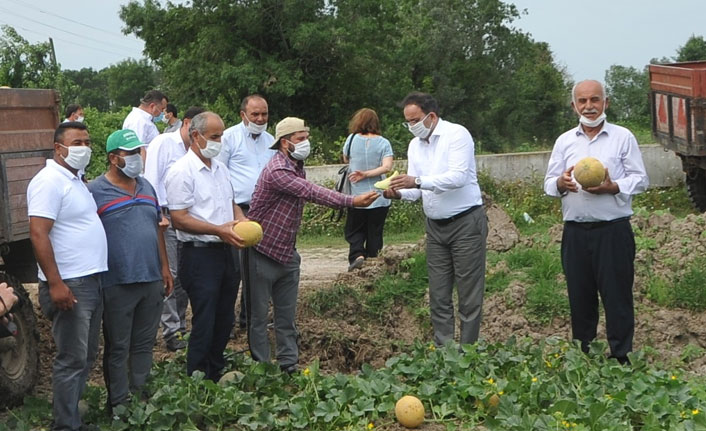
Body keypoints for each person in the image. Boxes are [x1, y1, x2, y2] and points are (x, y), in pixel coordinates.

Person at [243, 117, 379, 373]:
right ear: (285, 143)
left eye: (307, 137)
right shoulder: (278, 170)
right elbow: (311, 192)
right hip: (262, 251)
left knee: (286, 317)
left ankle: (289, 365)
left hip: (286, 252)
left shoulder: (296, 165)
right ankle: (261, 371)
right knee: (259, 318)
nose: (306, 142)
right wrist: (351, 201)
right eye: (300, 139)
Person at [543, 79, 648, 364]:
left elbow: (640, 180)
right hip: (575, 232)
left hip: (612, 231)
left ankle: (621, 358)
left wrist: (613, 187)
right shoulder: (565, 141)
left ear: (606, 103)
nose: (589, 106)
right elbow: (548, 184)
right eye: (583, 101)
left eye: (595, 100)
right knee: (580, 299)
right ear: (574, 105)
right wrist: (561, 183)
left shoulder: (623, 137)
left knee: (617, 298)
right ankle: (583, 357)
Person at [384, 92, 487, 347]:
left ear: (431, 116)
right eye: (407, 122)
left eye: (415, 120)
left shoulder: (457, 135)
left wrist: (416, 181)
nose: (411, 126)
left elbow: (457, 177)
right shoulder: (415, 146)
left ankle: (468, 352)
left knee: (469, 294)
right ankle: (444, 352)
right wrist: (396, 193)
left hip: (465, 223)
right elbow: (416, 189)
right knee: (439, 294)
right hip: (435, 227)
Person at [27, 121, 108, 431]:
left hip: (89, 280)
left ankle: (71, 419)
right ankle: (65, 426)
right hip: (70, 283)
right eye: (77, 143)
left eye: (87, 142)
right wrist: (56, 283)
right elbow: (38, 233)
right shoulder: (49, 181)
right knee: (72, 359)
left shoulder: (75, 180)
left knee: (85, 356)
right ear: (58, 148)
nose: (83, 148)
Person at [87, 129, 173, 410]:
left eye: (138, 152)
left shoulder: (147, 186)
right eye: (130, 153)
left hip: (150, 279)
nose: (137, 158)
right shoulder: (94, 191)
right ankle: (119, 404)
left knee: (144, 344)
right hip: (117, 281)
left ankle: (140, 398)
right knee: (118, 346)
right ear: (114, 158)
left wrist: (165, 268)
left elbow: (157, 228)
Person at [164, 111, 247, 381]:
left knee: (225, 318)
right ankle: (198, 376)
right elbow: (179, 218)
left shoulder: (220, 168)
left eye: (221, 135)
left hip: (226, 252)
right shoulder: (181, 171)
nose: (219, 141)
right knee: (205, 318)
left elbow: (230, 202)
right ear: (196, 136)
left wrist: (242, 221)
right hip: (199, 256)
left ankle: (216, 367)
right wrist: (217, 230)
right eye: (214, 136)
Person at [144, 106, 205, 352]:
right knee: (169, 273)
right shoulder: (163, 143)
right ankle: (171, 331)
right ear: (187, 123)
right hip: (166, 216)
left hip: (189, 216)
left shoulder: (196, 148)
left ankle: (180, 325)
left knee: (185, 275)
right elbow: (150, 180)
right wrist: (157, 213)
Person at [216, 94, 275, 330]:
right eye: (255, 114)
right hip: (237, 209)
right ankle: (225, 321)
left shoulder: (271, 140)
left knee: (259, 269)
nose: (260, 119)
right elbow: (218, 174)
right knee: (234, 269)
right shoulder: (228, 138)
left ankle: (250, 319)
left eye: (264, 114)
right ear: (243, 115)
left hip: (264, 210)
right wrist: (233, 210)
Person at [342, 108, 393, 272]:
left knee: (354, 229)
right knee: (375, 232)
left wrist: (360, 172)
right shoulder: (384, 142)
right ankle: (374, 263)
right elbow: (387, 167)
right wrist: (368, 174)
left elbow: (346, 159)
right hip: (379, 195)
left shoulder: (350, 139)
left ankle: (357, 255)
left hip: (356, 196)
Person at [122, 90, 168, 158]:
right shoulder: (139, 121)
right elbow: (138, 149)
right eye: (162, 109)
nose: (162, 112)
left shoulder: (145, 120)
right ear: (152, 106)